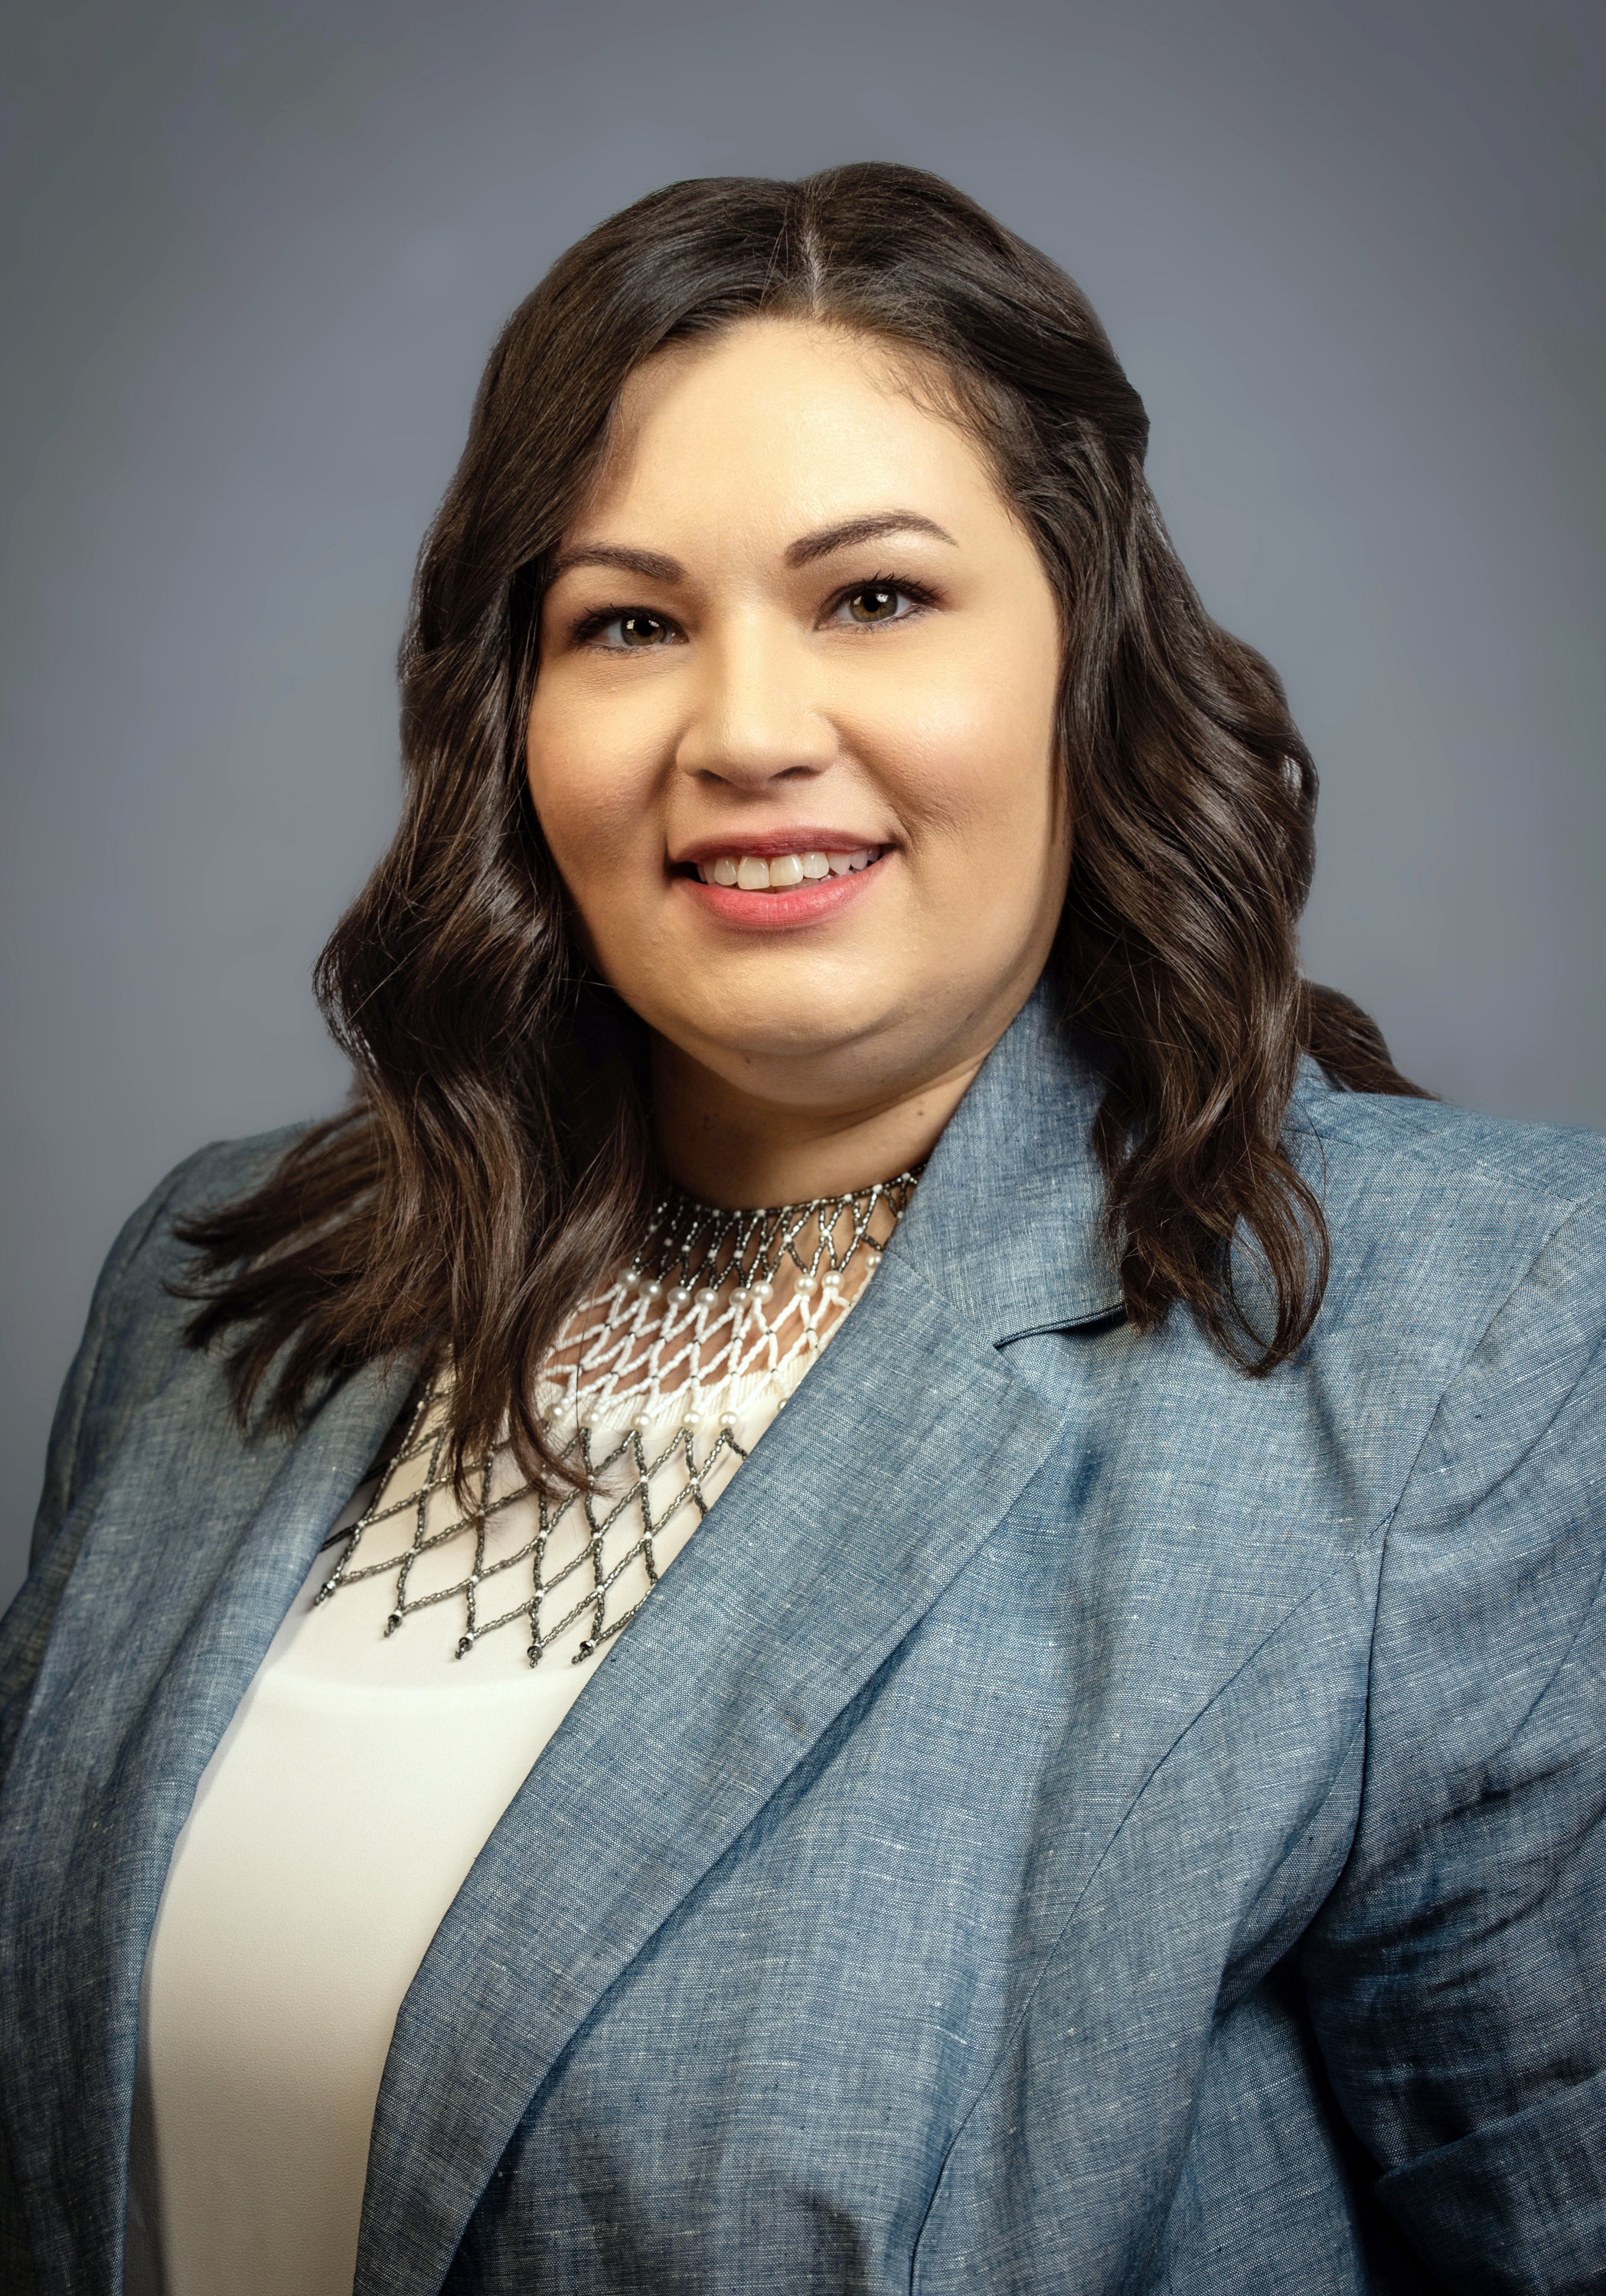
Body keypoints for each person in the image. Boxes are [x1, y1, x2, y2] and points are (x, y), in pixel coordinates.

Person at [1, 161, 1601, 2296]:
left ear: (1082, 659)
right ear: (515, 719)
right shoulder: (219, 1293)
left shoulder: (1463, 1339)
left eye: (872, 598)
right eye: (628, 623)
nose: (746, 733)